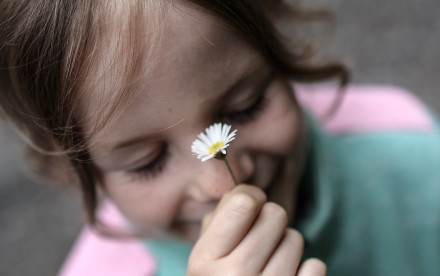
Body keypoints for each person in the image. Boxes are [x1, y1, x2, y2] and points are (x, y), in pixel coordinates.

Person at [1, 0, 439, 275]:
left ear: (273, 44)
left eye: (246, 106)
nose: (225, 184)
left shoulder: (407, 148)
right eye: (147, 162)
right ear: (71, 168)